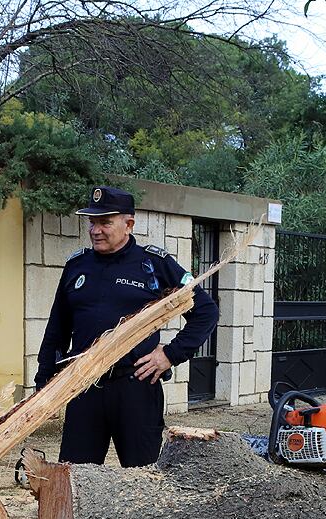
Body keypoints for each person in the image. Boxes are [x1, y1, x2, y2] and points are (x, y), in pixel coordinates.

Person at [35, 186, 219, 467]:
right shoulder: (76, 266)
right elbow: (57, 328)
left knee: (142, 480)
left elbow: (205, 311)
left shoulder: (155, 264)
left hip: (136, 387)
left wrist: (170, 354)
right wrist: (44, 382)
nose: (95, 230)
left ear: (128, 224)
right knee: (74, 479)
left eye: (105, 222)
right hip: (84, 388)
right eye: (92, 222)